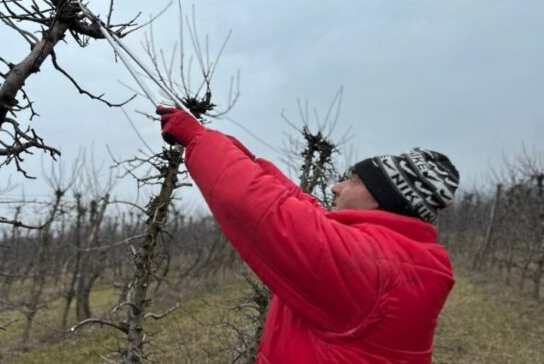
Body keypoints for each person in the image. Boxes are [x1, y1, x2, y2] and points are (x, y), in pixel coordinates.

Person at [156, 106, 459, 364]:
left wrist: (201, 142)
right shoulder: (405, 257)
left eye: (352, 181)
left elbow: (264, 210)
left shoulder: (373, 268)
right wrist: (241, 157)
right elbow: (305, 208)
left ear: (382, 200)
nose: (336, 187)